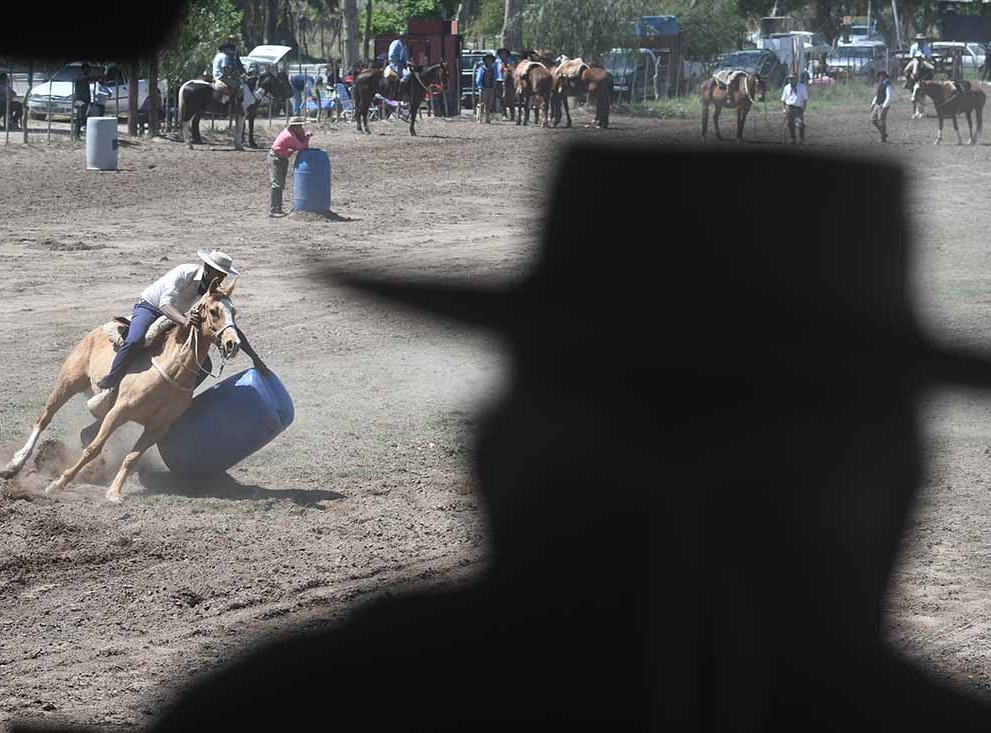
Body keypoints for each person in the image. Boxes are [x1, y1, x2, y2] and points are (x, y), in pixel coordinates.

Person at [89, 145, 991, 731]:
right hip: (152, 317)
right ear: (905, 472)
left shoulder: (288, 706)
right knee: (132, 352)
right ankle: (105, 400)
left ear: (499, 448)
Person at [86, 250, 270, 418]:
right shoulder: (184, 273)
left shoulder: (214, 293)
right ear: (207, 268)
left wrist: (255, 358)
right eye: (218, 273)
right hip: (152, 306)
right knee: (135, 339)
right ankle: (110, 384)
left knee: (204, 364)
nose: (220, 278)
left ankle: (175, 404)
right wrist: (184, 321)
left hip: (181, 316)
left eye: (223, 275)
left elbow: (228, 325)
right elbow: (164, 304)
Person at [267, 116, 311, 217]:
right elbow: (302, 147)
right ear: (294, 127)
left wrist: (304, 137)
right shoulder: (289, 136)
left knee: (280, 184)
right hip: (276, 158)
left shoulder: (292, 133)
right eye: (299, 126)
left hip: (281, 158)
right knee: (277, 184)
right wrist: (307, 138)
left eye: (301, 125)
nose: (301, 127)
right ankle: (274, 210)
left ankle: (278, 208)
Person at [212, 36, 245, 104]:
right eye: (229, 50)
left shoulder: (218, 55)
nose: (230, 51)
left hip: (216, 76)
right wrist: (231, 75)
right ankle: (234, 104)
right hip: (222, 77)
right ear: (226, 49)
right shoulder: (225, 56)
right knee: (239, 85)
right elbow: (225, 69)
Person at [781, 72, 807, 143]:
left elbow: (805, 99)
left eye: (793, 78)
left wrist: (803, 109)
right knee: (790, 125)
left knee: (800, 124)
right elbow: (783, 99)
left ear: (797, 79)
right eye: (790, 79)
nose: (791, 80)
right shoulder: (786, 87)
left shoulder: (802, 87)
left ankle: (802, 139)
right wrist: (784, 108)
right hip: (789, 108)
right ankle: (793, 139)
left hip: (798, 109)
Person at [870, 69, 893, 143]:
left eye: (880, 75)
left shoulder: (888, 84)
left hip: (883, 104)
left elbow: (889, 96)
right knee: (873, 119)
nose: (879, 77)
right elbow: (877, 95)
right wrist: (873, 103)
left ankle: (883, 137)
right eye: (879, 76)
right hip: (877, 103)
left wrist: (884, 106)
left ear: (884, 76)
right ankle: (883, 133)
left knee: (881, 121)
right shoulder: (881, 84)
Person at [73, 63, 93, 139]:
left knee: (79, 117)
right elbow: (89, 78)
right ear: (83, 69)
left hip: (81, 99)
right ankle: (81, 129)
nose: (89, 71)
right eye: (87, 70)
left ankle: (76, 134)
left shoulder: (82, 77)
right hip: (80, 100)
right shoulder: (81, 77)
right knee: (81, 116)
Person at [474, 53, 496, 123]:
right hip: (483, 88)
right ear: (485, 61)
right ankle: (479, 118)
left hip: (491, 88)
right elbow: (478, 79)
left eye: (490, 59)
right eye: (488, 59)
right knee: (481, 104)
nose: (489, 61)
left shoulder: (492, 69)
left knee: (489, 105)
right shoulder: (482, 69)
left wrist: (494, 86)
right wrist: (479, 87)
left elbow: (494, 78)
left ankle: (487, 118)